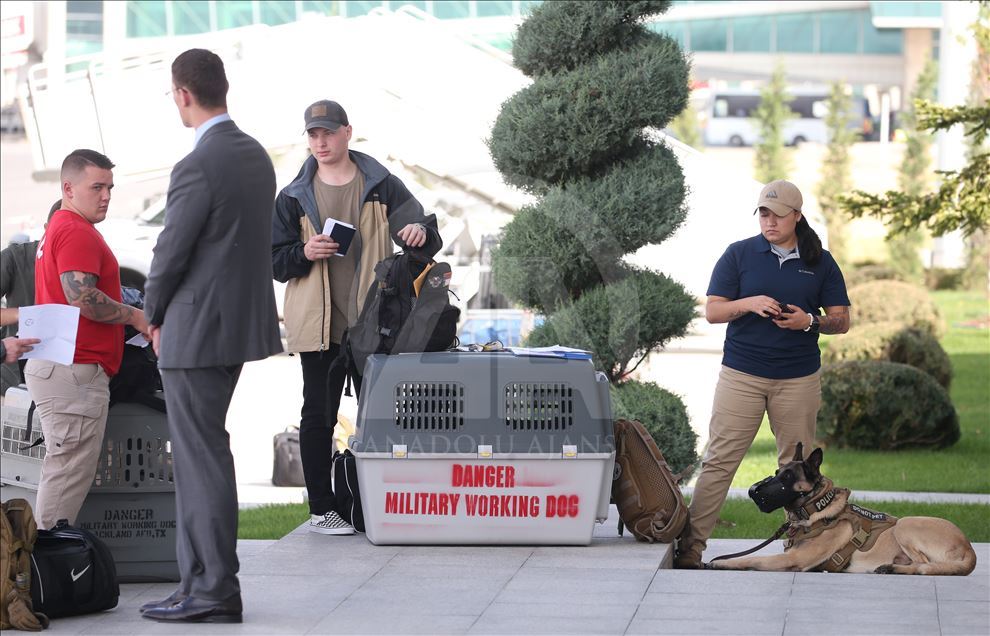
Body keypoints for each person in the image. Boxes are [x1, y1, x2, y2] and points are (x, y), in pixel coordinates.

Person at [140, 48, 281, 624]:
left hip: (194, 332)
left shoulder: (197, 163)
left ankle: (213, 588)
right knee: (206, 456)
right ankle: (197, 581)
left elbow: (171, 251)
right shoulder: (255, 156)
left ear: (182, 94)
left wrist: (151, 311)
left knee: (200, 462)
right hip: (234, 331)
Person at [272, 99, 441, 535]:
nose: (320, 142)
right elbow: (275, 263)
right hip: (320, 322)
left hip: (375, 322)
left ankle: (379, 505)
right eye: (312, 134)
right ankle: (321, 510)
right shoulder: (292, 196)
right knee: (318, 416)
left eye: (328, 132)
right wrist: (303, 252)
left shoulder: (382, 185)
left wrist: (420, 232)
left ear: (348, 132)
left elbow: (426, 236)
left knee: (382, 416)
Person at [675, 180, 851, 569]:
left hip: (798, 379)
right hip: (742, 375)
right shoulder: (739, 254)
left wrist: (809, 321)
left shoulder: (820, 261)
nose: (769, 221)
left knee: (797, 468)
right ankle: (690, 549)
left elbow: (841, 321)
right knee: (720, 460)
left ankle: (797, 551)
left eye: (778, 214)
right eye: (764, 213)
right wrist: (749, 303)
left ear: (797, 217)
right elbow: (714, 311)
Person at [25, 151, 149, 530]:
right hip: (73, 370)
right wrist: (137, 317)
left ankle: (44, 568)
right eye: (97, 187)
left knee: (61, 472)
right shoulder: (75, 230)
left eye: (110, 187)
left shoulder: (61, 226)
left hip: (63, 367)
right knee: (65, 478)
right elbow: (82, 297)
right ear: (68, 188)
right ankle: (49, 572)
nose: (106, 195)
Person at [0, 199, 61, 395]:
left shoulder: (91, 260)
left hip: (70, 377)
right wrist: (24, 315)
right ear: (46, 228)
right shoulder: (15, 258)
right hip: (16, 377)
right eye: (61, 231)